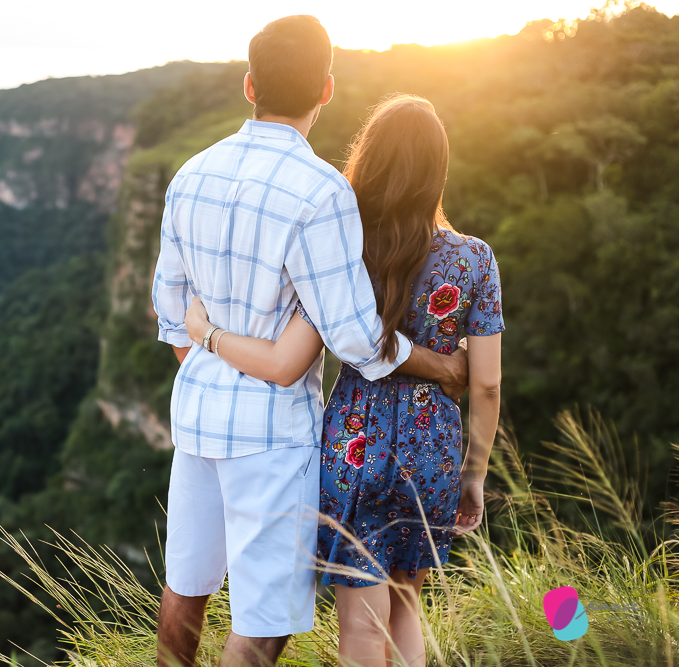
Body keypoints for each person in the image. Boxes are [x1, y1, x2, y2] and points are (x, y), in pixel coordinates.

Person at [151, 15, 469, 667]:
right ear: (326, 90)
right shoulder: (322, 193)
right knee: (265, 623)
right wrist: (438, 362)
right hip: (271, 437)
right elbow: (357, 337)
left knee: (184, 591)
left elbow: (170, 312)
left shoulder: (191, 175)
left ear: (249, 85)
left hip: (197, 418)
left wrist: (212, 354)